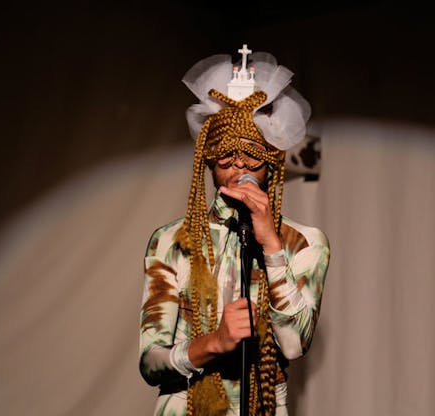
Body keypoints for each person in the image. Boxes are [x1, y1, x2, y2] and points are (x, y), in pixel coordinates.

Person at [139, 45, 330, 416]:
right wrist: (213, 343)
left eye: (252, 154)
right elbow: (150, 362)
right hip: (186, 405)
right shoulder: (170, 241)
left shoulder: (305, 242)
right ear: (208, 161)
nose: (238, 164)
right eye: (225, 154)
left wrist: (272, 246)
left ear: (271, 164)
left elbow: (292, 345)